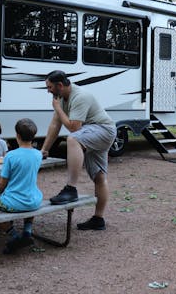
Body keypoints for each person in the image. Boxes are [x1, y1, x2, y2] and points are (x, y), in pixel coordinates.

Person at [40, 70, 116, 231]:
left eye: (49, 87)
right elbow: (55, 125)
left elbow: (74, 128)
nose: (48, 91)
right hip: (93, 132)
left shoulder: (80, 96)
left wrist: (57, 108)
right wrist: (44, 149)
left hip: (103, 130)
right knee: (99, 177)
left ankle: (71, 188)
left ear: (60, 85)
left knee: (73, 139)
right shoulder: (61, 98)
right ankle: (98, 219)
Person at [0, 118, 43, 254]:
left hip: (13, 201)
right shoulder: (38, 154)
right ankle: (27, 231)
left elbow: (2, 183)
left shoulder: (11, 156)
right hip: (33, 201)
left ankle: (15, 236)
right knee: (28, 203)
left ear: (17, 135)